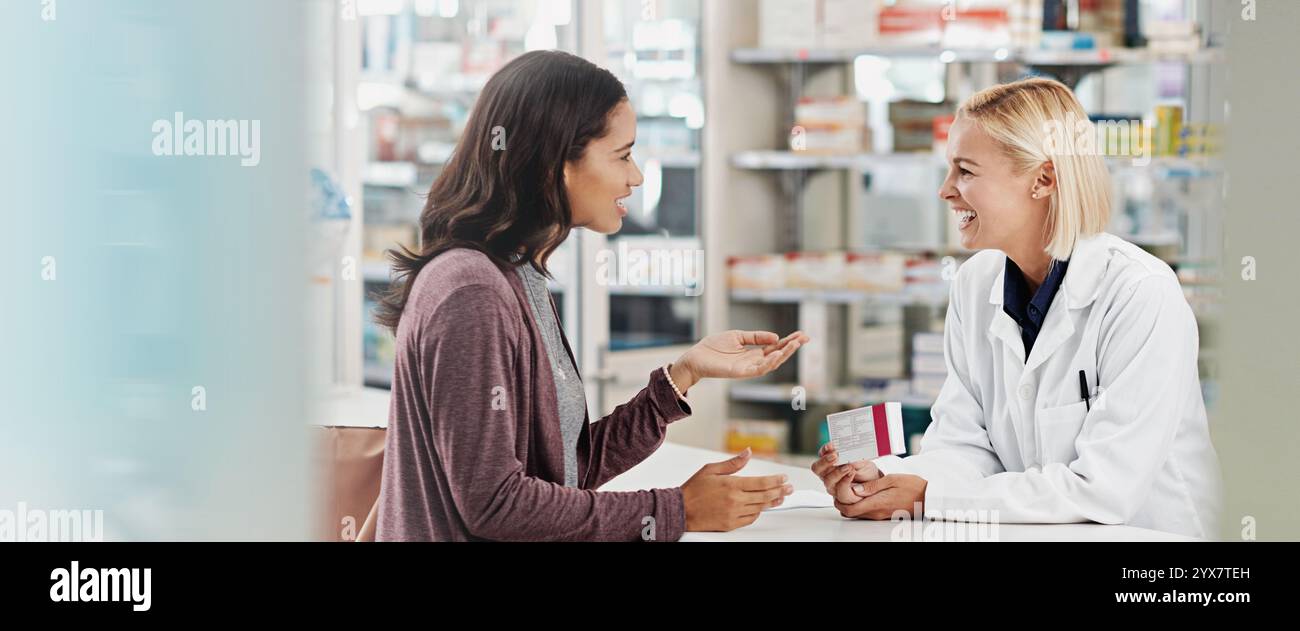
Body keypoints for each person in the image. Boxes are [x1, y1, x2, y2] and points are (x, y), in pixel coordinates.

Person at [373, 50, 809, 541]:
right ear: (556, 162)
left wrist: (681, 377)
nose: (637, 176)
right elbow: (494, 504)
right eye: (622, 155)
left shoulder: (517, 276)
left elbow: (565, 470)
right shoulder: (473, 292)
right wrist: (674, 511)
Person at [813, 77, 1222, 539]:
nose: (946, 190)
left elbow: (1105, 489)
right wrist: (887, 481)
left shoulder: (1139, 293)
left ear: (1043, 179)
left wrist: (926, 497)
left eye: (965, 171)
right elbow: (965, 447)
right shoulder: (975, 283)